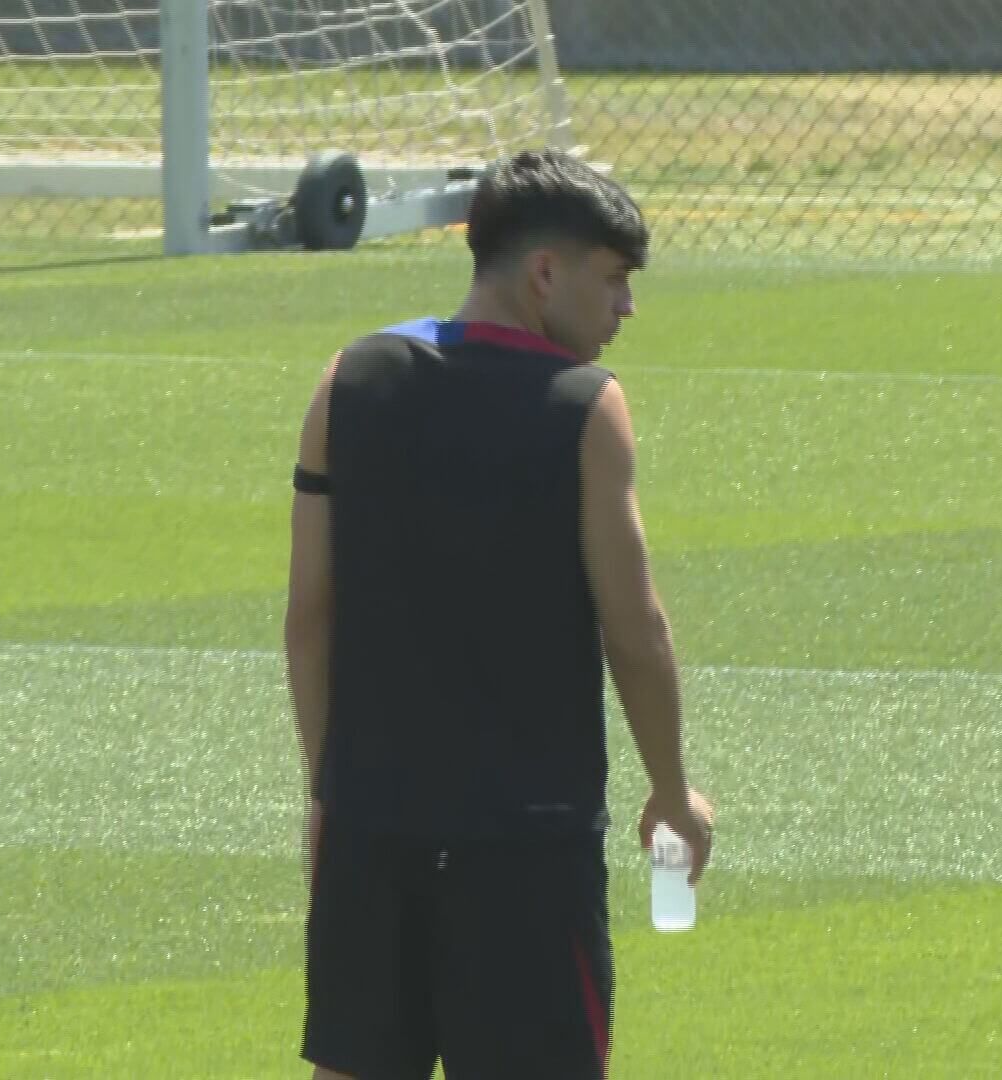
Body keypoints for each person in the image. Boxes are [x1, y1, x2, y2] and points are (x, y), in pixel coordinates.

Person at [282, 148, 715, 1080]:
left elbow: (308, 615)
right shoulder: (586, 408)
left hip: (372, 829)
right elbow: (634, 629)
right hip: (524, 851)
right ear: (544, 273)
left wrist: (330, 787)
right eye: (613, 281)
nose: (625, 311)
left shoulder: (345, 381)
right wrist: (672, 791)